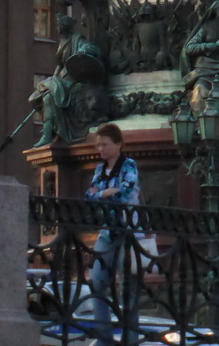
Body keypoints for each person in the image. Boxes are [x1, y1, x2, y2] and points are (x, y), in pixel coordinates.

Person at [83, 123, 141, 346]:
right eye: (98, 146)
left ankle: (130, 338)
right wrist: (106, 193)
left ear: (118, 144)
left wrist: (105, 193)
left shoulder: (129, 165)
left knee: (128, 286)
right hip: (107, 231)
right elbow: (89, 195)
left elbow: (125, 193)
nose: (101, 150)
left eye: (105, 145)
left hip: (128, 231)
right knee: (96, 280)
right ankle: (104, 336)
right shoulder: (100, 169)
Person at [29, 15, 104, 147]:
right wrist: (53, 79)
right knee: (38, 96)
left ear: (66, 26)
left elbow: (92, 48)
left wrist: (83, 51)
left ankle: (47, 134)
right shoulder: (62, 42)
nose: (58, 27)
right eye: (58, 25)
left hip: (74, 79)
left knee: (48, 99)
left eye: (60, 25)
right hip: (62, 80)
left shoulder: (77, 39)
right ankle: (49, 129)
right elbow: (60, 65)